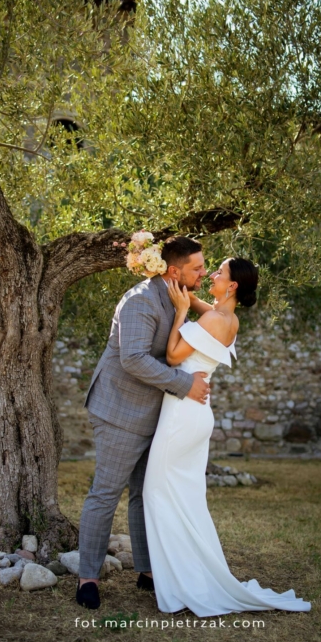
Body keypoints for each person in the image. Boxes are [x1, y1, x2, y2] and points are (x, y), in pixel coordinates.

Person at [143, 257, 312, 616]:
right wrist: (174, 282)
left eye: (219, 272)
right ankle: (187, 577)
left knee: (157, 493)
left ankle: (181, 583)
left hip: (183, 415)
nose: (212, 275)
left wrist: (179, 313)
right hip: (196, 414)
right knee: (186, 501)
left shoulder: (213, 320)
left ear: (232, 285)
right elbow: (201, 305)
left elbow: (172, 357)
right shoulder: (227, 318)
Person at [76, 236, 210, 610]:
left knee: (144, 494)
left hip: (155, 414)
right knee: (106, 493)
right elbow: (133, 359)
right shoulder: (141, 301)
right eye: (198, 268)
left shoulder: (178, 296)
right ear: (174, 271)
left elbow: (214, 317)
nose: (203, 272)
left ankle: (148, 571)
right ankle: (87, 578)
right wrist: (185, 384)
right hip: (119, 411)